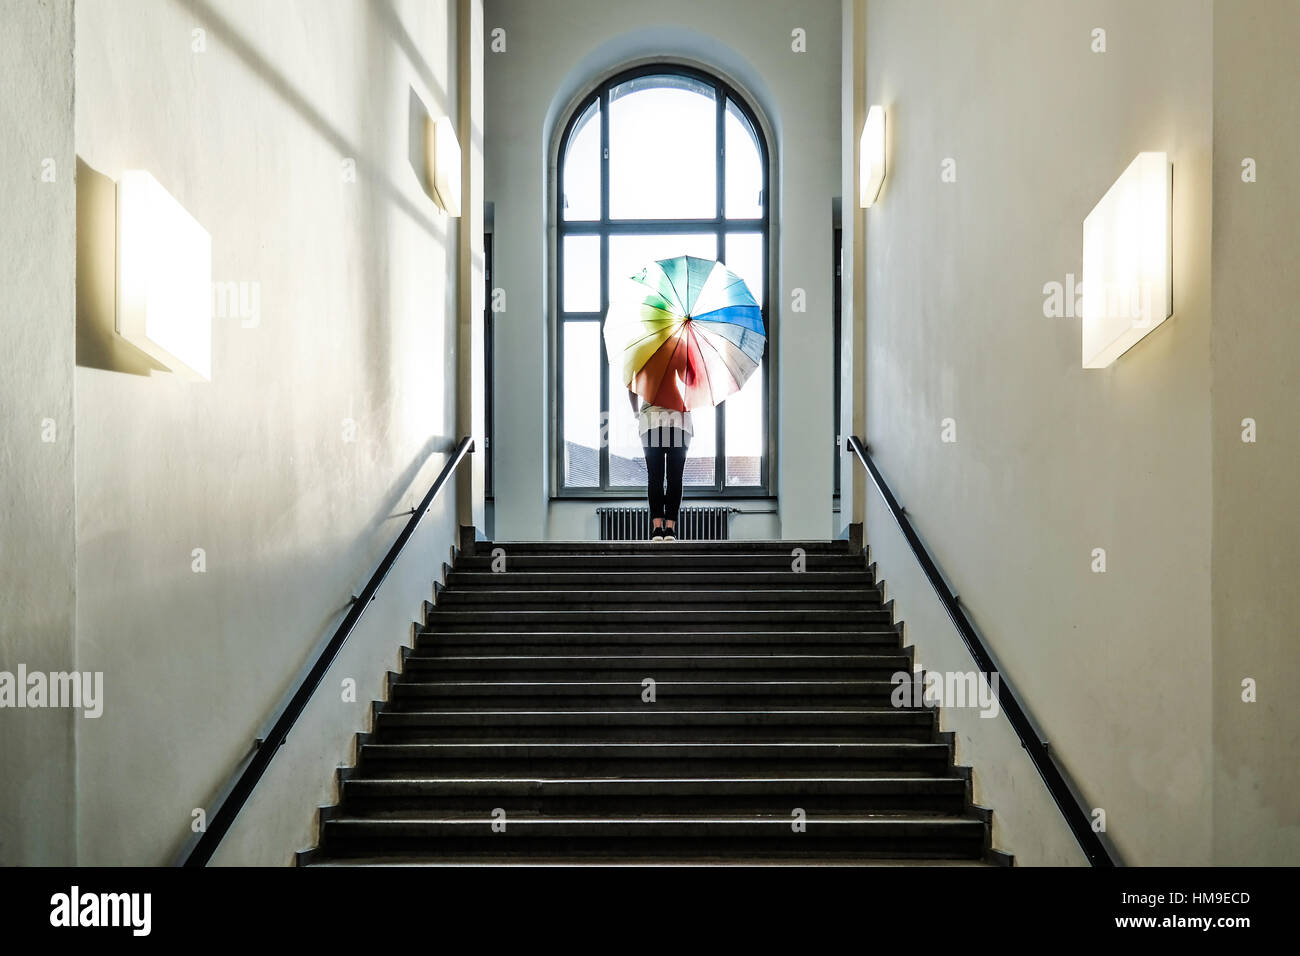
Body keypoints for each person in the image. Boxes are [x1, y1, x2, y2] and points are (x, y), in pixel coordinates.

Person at [629, 387, 692, 541]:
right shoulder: (686, 362)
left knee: (655, 477)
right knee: (675, 478)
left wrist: (637, 413)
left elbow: (631, 388)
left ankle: (657, 529)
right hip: (679, 421)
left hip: (652, 421)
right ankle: (670, 529)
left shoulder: (644, 363)